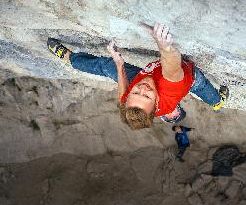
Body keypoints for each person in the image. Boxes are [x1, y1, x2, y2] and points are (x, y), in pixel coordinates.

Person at [47, 23, 228, 130]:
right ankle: (217, 102)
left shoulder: (130, 103)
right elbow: (172, 65)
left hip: (150, 83)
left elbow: (123, 95)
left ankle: (72, 59)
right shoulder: (169, 91)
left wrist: (118, 64)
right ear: (156, 103)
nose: (142, 89)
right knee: (203, 88)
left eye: (136, 94)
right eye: (147, 95)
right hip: (189, 77)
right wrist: (163, 46)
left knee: (107, 67)